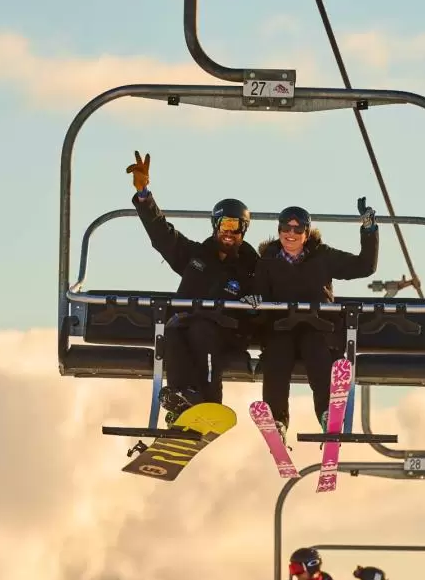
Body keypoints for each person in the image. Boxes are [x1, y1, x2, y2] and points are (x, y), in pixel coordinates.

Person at [126, 151, 259, 425]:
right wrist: (144, 196)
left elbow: (272, 289)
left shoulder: (251, 266)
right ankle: (183, 398)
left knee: (202, 329)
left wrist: (258, 300)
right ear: (215, 226)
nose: (228, 232)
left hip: (227, 332)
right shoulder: (196, 257)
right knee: (172, 329)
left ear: (243, 229)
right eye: (223, 224)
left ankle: (210, 401)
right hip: (188, 325)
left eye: (235, 226)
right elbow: (162, 235)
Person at [252, 199, 379, 442]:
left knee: (318, 355)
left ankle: (327, 413)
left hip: (318, 327)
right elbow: (260, 295)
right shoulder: (267, 261)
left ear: (307, 233)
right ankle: (277, 419)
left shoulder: (322, 256)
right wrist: (254, 304)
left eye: (298, 230)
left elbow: (364, 266)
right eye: (286, 229)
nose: (291, 234)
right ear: (279, 231)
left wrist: (369, 230)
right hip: (282, 328)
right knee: (276, 358)